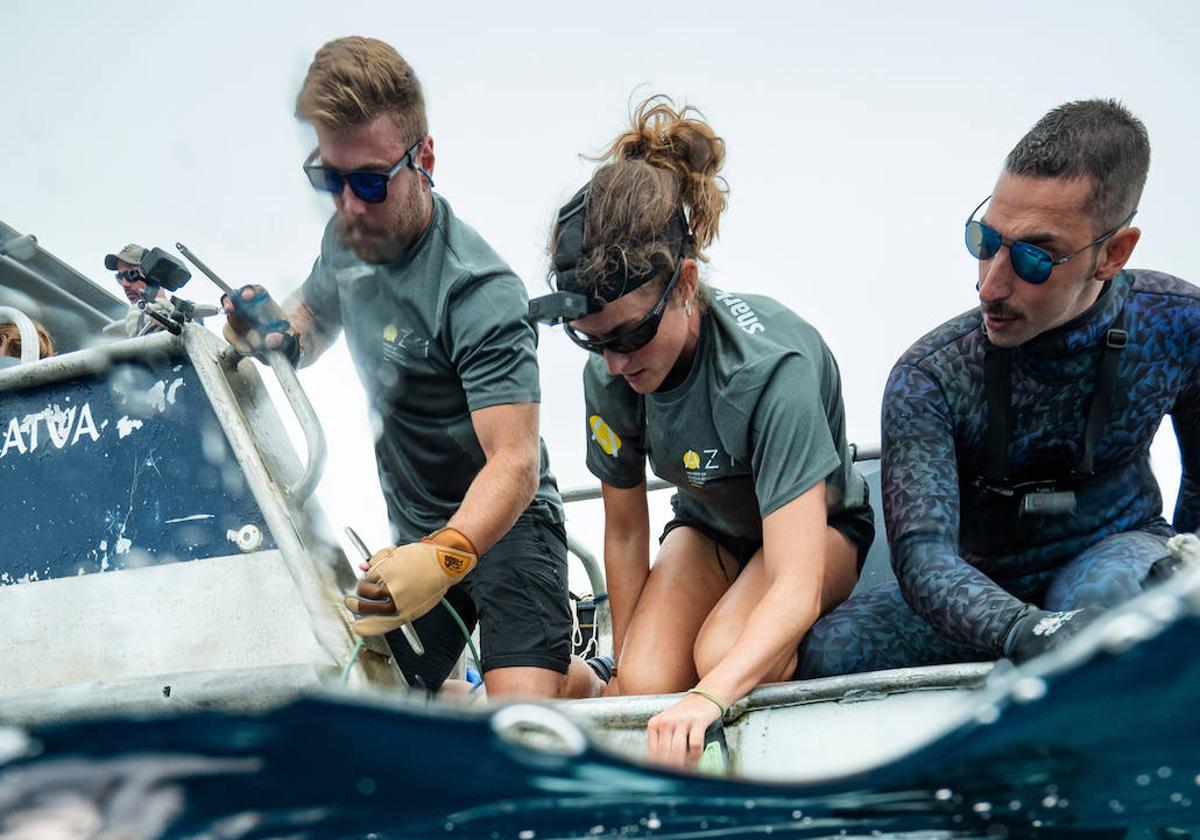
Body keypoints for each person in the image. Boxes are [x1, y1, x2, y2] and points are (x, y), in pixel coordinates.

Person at [222, 36, 597, 699]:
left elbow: (514, 463)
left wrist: (444, 557)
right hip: (411, 533)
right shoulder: (346, 239)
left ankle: (587, 684)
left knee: (517, 723)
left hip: (508, 525)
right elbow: (308, 320)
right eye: (328, 180)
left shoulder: (478, 290)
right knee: (367, 705)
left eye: (369, 181)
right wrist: (271, 333)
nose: (349, 205)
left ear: (424, 158)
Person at [799, 100, 1200, 676]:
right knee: (823, 653)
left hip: (1114, 552)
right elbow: (922, 557)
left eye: (1035, 258)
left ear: (1113, 253)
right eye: (985, 240)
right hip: (977, 584)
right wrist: (1024, 628)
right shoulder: (929, 375)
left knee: (1117, 610)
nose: (990, 285)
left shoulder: (1178, 323)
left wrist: (1179, 585)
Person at [542, 96, 874, 767]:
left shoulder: (770, 371)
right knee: (643, 682)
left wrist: (709, 696)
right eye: (591, 341)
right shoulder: (609, 374)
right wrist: (632, 687)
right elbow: (629, 531)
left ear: (686, 283)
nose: (616, 363)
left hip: (822, 534)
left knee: (720, 658)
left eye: (632, 334)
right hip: (711, 528)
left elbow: (795, 583)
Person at [104, 243, 168, 337]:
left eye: (131, 274)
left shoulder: (190, 319)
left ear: (153, 275)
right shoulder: (120, 336)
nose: (124, 284)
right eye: (120, 277)